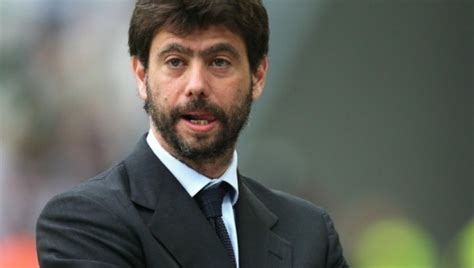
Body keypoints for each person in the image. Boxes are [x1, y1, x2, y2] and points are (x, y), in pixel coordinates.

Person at [36, 1, 349, 267]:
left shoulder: (310, 232)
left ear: (258, 76)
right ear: (142, 76)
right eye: (175, 62)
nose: (196, 84)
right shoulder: (84, 223)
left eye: (219, 62)